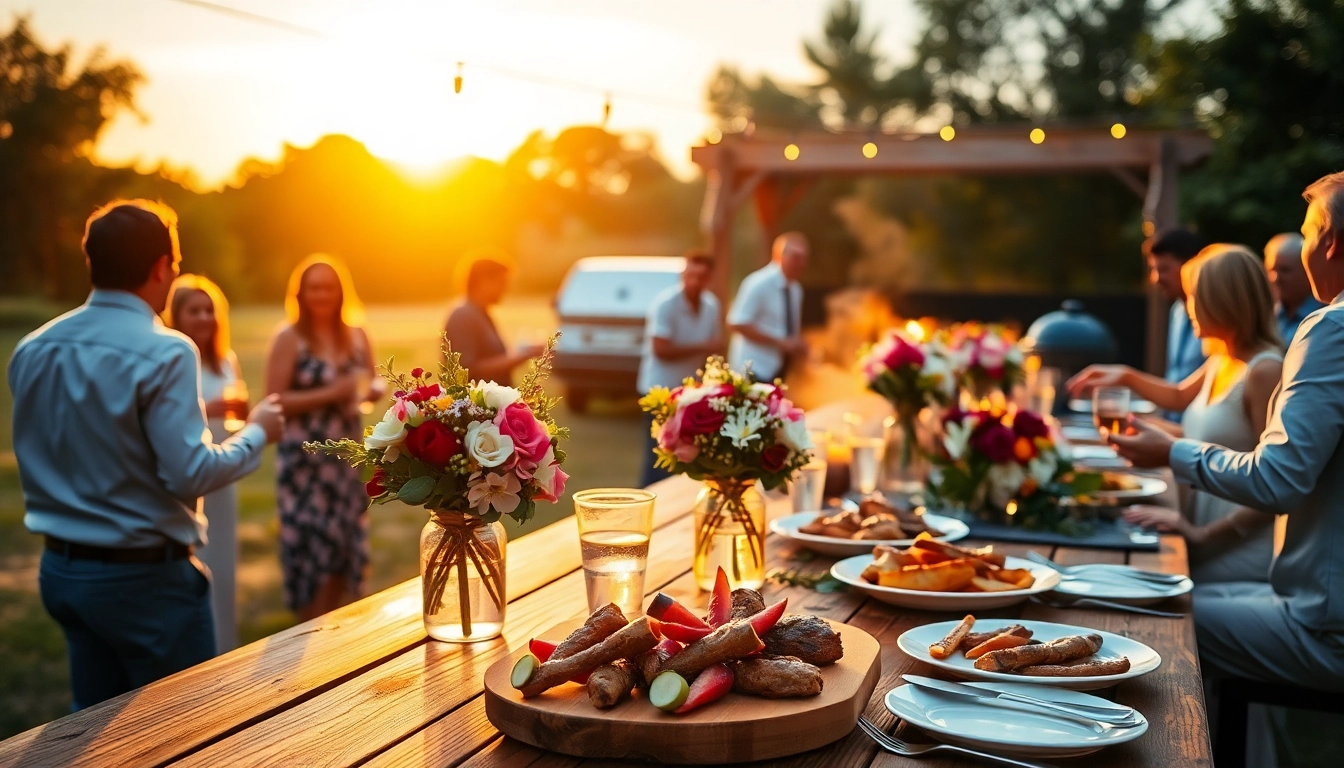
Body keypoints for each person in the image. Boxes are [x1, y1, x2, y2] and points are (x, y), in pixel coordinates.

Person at [9, 200, 283, 710]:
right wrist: (257, 433)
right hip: (145, 583)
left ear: (93, 263)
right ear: (161, 267)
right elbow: (191, 473)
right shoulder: (166, 351)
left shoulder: (32, 348)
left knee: (93, 732)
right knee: (184, 731)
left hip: (62, 573)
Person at [1108, 171, 1344, 691]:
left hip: (1324, 623)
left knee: (1147, 621)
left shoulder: (1332, 328)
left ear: (1329, 243)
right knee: (1162, 596)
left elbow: (1277, 480)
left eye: (1305, 233)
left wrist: (1173, 453)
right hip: (1306, 600)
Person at [1070, 245, 1283, 583]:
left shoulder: (1265, 371)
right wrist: (1125, 382)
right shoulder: (1223, 359)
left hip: (1234, 547)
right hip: (1199, 536)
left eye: (1194, 297)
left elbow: (1276, 483)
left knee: (1125, 585)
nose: (1187, 308)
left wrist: (1203, 536)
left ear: (1224, 301)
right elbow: (1179, 398)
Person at [265, 255, 382, 622]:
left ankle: (332, 628)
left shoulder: (357, 334)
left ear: (341, 292)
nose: (321, 294)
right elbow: (273, 401)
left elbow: (372, 378)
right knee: (310, 549)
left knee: (341, 546)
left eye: (328, 287)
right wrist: (331, 393)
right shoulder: (289, 338)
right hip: (304, 464)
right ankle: (307, 628)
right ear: (300, 294)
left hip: (345, 461)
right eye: (313, 287)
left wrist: (371, 390)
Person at [163, 274, 247, 653]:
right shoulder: (171, 360)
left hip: (222, 476)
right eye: (193, 310)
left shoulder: (224, 360)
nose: (203, 317)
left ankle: (223, 646)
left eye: (208, 309)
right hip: (188, 475)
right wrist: (209, 408)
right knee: (198, 561)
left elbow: (236, 414)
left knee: (224, 563)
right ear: (176, 315)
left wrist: (237, 418)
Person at [636, 251, 724, 486]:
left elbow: (714, 350)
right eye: (690, 275)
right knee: (658, 457)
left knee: (683, 456)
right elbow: (660, 350)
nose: (694, 282)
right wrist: (703, 346)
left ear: (709, 279)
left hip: (688, 393)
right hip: (659, 391)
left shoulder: (712, 306)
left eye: (701, 277)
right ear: (683, 274)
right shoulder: (665, 304)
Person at [443, 252, 541, 383]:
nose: (505, 289)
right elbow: (468, 369)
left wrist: (524, 352)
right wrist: (523, 355)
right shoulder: (463, 315)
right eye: (502, 282)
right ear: (483, 281)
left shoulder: (479, 312)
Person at [728, 231, 808, 381]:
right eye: (796, 257)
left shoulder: (796, 290)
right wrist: (779, 342)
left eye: (803, 258)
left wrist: (799, 346)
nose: (801, 263)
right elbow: (737, 323)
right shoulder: (758, 283)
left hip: (778, 370)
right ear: (779, 256)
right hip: (752, 368)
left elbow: (789, 328)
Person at [1144, 228, 1209, 397]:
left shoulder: (1215, 315)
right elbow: (1175, 379)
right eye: (1153, 269)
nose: (1156, 278)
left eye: (1164, 269)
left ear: (1191, 265)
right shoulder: (1177, 311)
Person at [1264, 232, 1326, 343]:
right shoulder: (1266, 316)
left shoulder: (1325, 318)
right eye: (1271, 270)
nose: (1275, 278)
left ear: (1307, 271)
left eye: (1285, 270)